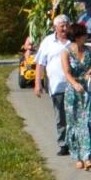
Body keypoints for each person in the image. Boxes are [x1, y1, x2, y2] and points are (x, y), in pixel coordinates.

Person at [60, 21, 91, 171]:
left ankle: (88, 157)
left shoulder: (89, 50)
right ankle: (78, 156)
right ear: (77, 36)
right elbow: (67, 72)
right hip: (74, 92)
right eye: (84, 35)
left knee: (90, 122)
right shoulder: (66, 52)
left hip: (90, 90)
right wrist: (75, 84)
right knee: (75, 124)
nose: (86, 37)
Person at [33, 14, 72, 155]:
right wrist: (38, 83)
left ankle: (75, 142)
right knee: (61, 116)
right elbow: (40, 63)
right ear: (55, 27)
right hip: (57, 85)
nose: (65, 28)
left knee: (74, 115)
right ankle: (63, 144)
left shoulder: (73, 41)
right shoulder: (48, 42)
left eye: (67, 25)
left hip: (74, 85)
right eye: (62, 26)